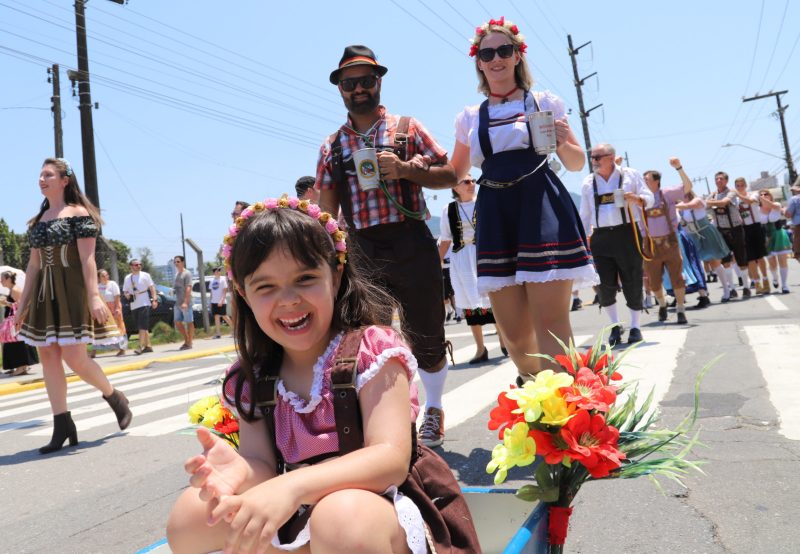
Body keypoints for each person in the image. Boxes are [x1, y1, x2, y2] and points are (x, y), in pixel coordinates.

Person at [166, 198, 453, 554]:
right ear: (243, 293)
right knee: (191, 517)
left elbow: (389, 460)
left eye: (305, 279)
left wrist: (294, 485)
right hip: (305, 511)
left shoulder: (372, 351)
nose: (289, 300)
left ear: (335, 276)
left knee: (340, 516)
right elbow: (262, 465)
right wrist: (241, 472)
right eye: (266, 287)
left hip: (378, 511)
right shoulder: (254, 376)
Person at [316, 45, 455, 447]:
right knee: (371, 339)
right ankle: (390, 420)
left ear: (378, 82)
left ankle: (433, 407)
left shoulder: (407, 128)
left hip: (411, 238)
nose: (358, 89)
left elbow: (449, 173)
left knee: (426, 329)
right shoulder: (332, 145)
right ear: (340, 89)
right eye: (349, 83)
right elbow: (326, 211)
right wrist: (327, 257)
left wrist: (406, 169)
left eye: (365, 80)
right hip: (362, 247)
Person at [450, 18, 596, 381]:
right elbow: (453, 173)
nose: (496, 59)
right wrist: (410, 168)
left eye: (504, 50)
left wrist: (561, 140)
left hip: (541, 205)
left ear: (517, 55)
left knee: (551, 324)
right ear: (479, 62)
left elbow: (576, 163)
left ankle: (562, 404)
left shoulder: (544, 102)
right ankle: (536, 387)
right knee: (515, 337)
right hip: (496, 212)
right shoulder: (470, 117)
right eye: (487, 53)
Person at [15, 158, 132, 454]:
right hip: (45, 292)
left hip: (72, 289)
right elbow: (33, 265)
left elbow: (87, 259)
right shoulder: (39, 220)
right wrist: (22, 304)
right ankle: (62, 423)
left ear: (65, 180)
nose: (42, 179)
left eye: (48, 175)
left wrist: (94, 296)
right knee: (48, 356)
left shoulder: (78, 214)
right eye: (40, 175)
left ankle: (114, 396)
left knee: (75, 358)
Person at [579, 143, 653, 346]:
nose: (593, 161)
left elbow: (650, 198)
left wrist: (637, 199)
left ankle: (635, 327)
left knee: (632, 278)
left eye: (597, 157)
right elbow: (584, 214)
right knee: (603, 283)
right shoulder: (588, 182)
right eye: (592, 157)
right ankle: (614, 325)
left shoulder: (630, 175)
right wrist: (582, 241)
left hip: (627, 233)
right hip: (600, 236)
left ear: (611, 157)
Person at [438, 176, 506, 363]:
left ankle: (504, 341)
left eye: (473, 180)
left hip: (484, 255)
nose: (472, 184)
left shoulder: (483, 202)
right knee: (469, 303)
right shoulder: (448, 209)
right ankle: (480, 348)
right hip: (462, 261)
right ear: (455, 187)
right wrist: (436, 263)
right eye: (466, 182)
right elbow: (446, 239)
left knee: (493, 298)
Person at [641, 159, 693, 323]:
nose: (644, 182)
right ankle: (662, 304)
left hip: (669, 242)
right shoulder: (639, 198)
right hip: (650, 244)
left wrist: (679, 168)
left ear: (656, 181)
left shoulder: (667, 193)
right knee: (654, 281)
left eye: (647, 179)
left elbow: (688, 187)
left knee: (677, 277)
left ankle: (680, 309)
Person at [676, 190, 732, 301]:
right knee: (698, 262)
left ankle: (727, 289)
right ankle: (703, 291)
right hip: (694, 235)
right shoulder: (682, 207)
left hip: (706, 232)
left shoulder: (698, 200)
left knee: (714, 261)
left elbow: (691, 205)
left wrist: (675, 206)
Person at [705, 172, 751, 299]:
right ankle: (732, 289)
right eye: (716, 179)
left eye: (721, 179)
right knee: (725, 261)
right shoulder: (713, 195)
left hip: (736, 229)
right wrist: (711, 202)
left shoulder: (732, 192)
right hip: (721, 231)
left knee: (741, 259)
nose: (718, 180)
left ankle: (746, 287)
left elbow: (724, 202)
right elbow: (705, 207)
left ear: (726, 181)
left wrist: (711, 203)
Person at [733, 177, 769, 294]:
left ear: (745, 185)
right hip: (745, 229)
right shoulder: (735, 200)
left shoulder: (753, 194)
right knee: (750, 259)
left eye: (741, 185)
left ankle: (765, 280)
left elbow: (750, 201)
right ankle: (757, 282)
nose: (740, 187)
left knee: (760, 256)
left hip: (756, 227)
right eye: (737, 186)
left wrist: (738, 195)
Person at [1, 271, 39, 377]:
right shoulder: (12, 290)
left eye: (2, 279)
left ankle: (21, 367)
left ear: (8, 279)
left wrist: (6, 303)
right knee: (13, 343)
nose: (1, 281)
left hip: (17, 321)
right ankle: (20, 366)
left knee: (17, 344)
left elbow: (22, 305)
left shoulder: (15, 290)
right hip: (15, 321)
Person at [122, 258, 158, 354]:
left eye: (140, 264)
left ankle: (140, 346)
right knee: (141, 326)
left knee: (142, 325)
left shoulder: (145, 275)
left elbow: (152, 288)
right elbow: (125, 290)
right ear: (131, 266)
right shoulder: (127, 278)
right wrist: (127, 294)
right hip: (134, 304)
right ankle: (148, 346)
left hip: (144, 302)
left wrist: (155, 299)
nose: (139, 266)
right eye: (136, 265)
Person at [759, 188, 792, 293]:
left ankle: (785, 285)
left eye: (766, 194)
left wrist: (762, 199)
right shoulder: (757, 209)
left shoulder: (776, 204)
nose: (764, 196)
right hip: (766, 237)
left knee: (782, 260)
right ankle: (775, 277)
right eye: (761, 195)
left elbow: (772, 206)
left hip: (779, 235)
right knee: (772, 262)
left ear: (770, 196)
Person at [95, 269, 126, 356]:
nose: (106, 277)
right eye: (103, 276)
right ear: (99, 278)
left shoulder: (113, 284)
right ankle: (94, 350)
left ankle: (122, 348)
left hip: (114, 307)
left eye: (107, 275)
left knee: (119, 328)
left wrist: (117, 308)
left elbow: (117, 298)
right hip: (104, 309)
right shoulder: (97, 286)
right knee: (100, 329)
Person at [172, 255, 194, 350]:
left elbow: (188, 288)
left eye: (178, 261)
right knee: (177, 322)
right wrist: (173, 291)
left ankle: (189, 342)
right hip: (178, 302)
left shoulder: (187, 273)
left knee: (189, 322)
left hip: (186, 302)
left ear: (183, 262)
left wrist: (186, 302)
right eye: (175, 262)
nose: (176, 263)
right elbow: (177, 287)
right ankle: (187, 339)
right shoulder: (176, 274)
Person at [209, 266, 232, 338]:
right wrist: (211, 301)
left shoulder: (222, 279)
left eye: (219, 270)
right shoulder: (212, 281)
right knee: (216, 317)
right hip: (214, 301)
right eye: (217, 271)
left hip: (221, 301)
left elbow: (224, 291)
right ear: (214, 272)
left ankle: (235, 330)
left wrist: (222, 300)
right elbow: (211, 292)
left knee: (224, 316)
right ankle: (218, 333)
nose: (218, 272)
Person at [786, 183, 800, 262]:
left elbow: (788, 214)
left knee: (798, 250)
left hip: (799, 225)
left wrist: (783, 210)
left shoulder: (794, 199)